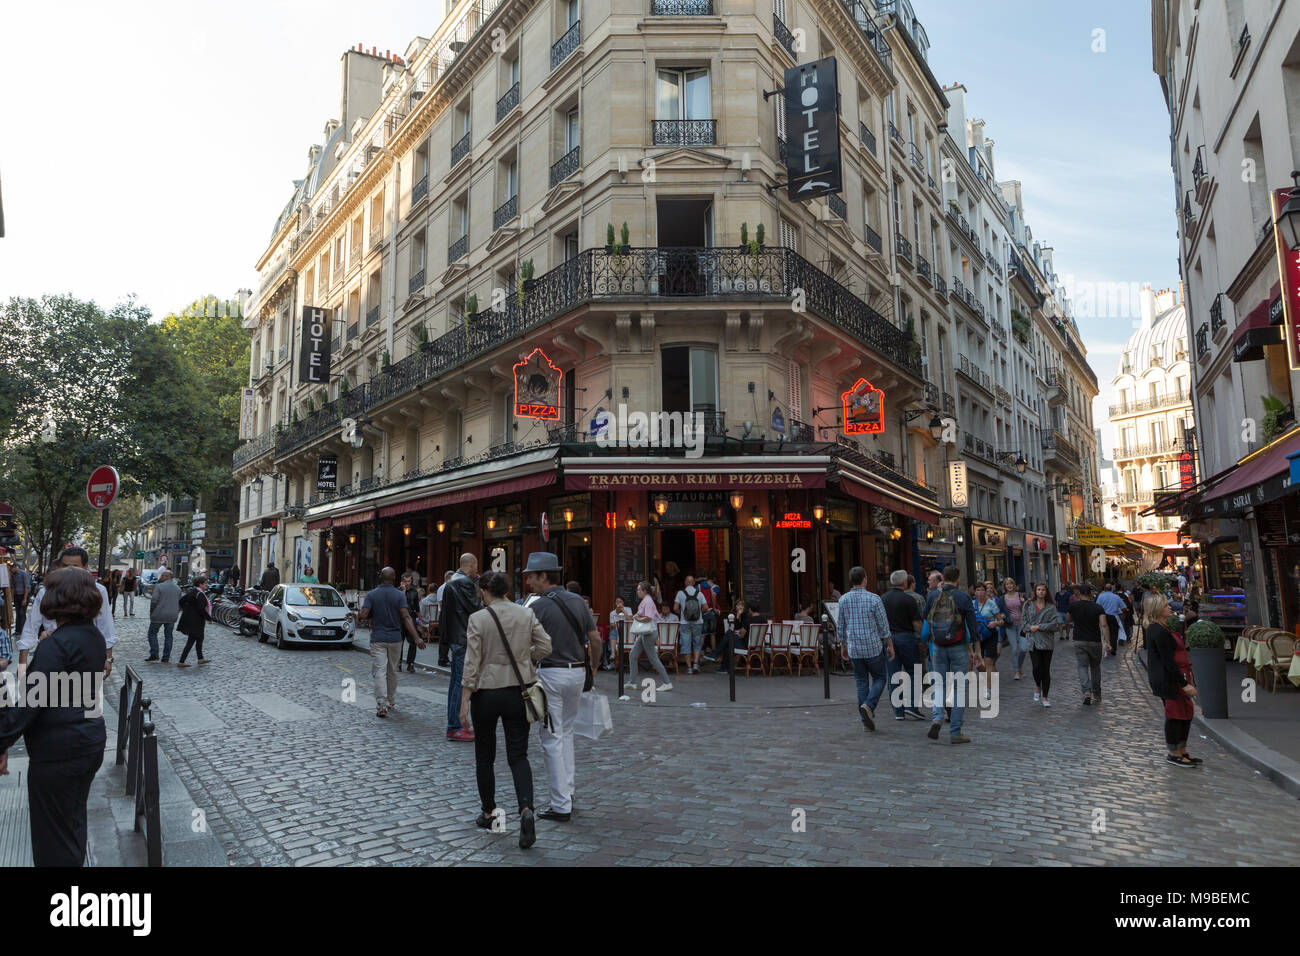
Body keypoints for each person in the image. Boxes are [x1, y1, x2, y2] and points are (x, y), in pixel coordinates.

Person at [0, 568, 107, 866]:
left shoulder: (56, 645)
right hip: (87, 741)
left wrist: (2, 741)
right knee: (71, 826)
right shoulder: (92, 637)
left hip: (59, 751)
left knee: (52, 839)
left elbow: (30, 703)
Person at [459, 570, 551, 849]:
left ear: (485, 591)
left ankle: (489, 812)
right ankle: (526, 810)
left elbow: (472, 662)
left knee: (485, 755)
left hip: (486, 693)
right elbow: (546, 646)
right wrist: (525, 657)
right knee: (518, 755)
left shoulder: (478, 618)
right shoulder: (524, 613)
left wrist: (464, 701)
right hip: (517, 691)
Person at [521, 552, 598, 823]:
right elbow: (595, 639)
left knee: (551, 737)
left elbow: (523, 644)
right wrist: (594, 667)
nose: (528, 580)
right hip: (577, 672)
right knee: (565, 732)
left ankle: (560, 804)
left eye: (532, 575)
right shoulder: (578, 601)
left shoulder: (536, 606)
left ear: (544, 576)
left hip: (550, 674)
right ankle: (568, 790)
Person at [18, 548, 116, 678]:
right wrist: (22, 664)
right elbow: (31, 627)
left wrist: (108, 659)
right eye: (65, 566)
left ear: (85, 567)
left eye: (75, 566)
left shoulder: (98, 591)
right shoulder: (46, 592)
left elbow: (106, 627)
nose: (69, 571)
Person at [923, 565, 981, 744]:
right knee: (958, 688)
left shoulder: (933, 595)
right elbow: (973, 625)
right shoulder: (963, 596)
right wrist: (977, 650)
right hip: (958, 646)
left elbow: (925, 616)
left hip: (938, 646)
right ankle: (955, 732)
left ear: (942, 579)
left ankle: (936, 718)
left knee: (939, 685)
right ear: (958, 578)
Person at [1144, 591, 1201, 767]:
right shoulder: (1158, 631)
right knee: (1175, 715)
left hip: (1177, 676)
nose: (1170, 607)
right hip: (1169, 679)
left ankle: (1182, 749)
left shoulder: (1163, 628)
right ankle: (1173, 752)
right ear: (1158, 609)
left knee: (1185, 713)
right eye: (1166, 605)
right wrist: (1184, 684)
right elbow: (1167, 661)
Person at [359, 567, 424, 718]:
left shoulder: (372, 594)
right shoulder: (399, 595)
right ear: (394, 578)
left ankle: (382, 704)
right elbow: (406, 617)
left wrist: (359, 614)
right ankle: (391, 700)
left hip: (378, 639)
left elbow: (363, 615)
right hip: (396, 639)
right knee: (392, 671)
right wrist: (416, 637)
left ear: (381, 577)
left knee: (379, 672)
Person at [840, 567, 894, 732]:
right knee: (880, 678)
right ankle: (869, 706)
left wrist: (843, 645)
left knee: (861, 682)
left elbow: (841, 626)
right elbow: (883, 625)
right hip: (872, 646)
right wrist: (890, 644)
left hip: (854, 647)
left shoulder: (843, 600)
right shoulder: (874, 599)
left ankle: (865, 722)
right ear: (865, 578)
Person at [439, 553, 481, 740]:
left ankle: (455, 723)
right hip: (463, 637)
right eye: (476, 565)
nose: (477, 569)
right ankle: (455, 725)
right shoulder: (464, 582)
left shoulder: (451, 581)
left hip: (456, 637)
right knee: (459, 684)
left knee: (456, 682)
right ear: (471, 565)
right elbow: (475, 608)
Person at [882, 569, 925, 720]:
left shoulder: (883, 599)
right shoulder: (908, 600)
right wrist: (924, 637)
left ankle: (898, 711)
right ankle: (912, 706)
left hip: (889, 638)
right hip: (906, 637)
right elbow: (917, 624)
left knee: (893, 675)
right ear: (904, 582)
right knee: (914, 671)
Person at [623, 580, 672, 695]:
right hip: (646, 632)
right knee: (633, 654)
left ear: (644, 590)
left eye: (639, 589)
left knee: (653, 658)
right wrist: (638, 616)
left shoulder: (648, 601)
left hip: (649, 633)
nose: (637, 591)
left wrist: (637, 619)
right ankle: (632, 681)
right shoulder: (647, 600)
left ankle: (667, 682)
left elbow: (649, 618)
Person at [1067, 585, 1110, 706]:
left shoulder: (1073, 606)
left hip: (1079, 640)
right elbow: (1104, 625)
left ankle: (1086, 691)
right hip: (1095, 641)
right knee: (1095, 668)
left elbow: (1068, 619)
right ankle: (1096, 694)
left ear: (1079, 594)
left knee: (1082, 666)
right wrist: (1108, 642)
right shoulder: (1098, 608)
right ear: (1091, 594)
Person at [1022, 582, 1059, 707]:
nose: (1041, 592)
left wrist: (1039, 627)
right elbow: (1024, 621)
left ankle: (1045, 697)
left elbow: (1054, 624)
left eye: (1043, 590)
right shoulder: (1028, 605)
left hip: (1047, 641)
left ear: (1046, 592)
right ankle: (1038, 686)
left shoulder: (1051, 607)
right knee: (1036, 667)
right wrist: (1029, 627)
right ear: (1035, 591)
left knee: (1046, 669)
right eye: (1038, 589)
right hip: (1032, 641)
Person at [973, 582, 1003, 700]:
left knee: (989, 661)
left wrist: (995, 623)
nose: (980, 593)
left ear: (986, 592)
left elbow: (1001, 621)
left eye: (982, 590)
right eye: (978, 590)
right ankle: (989, 679)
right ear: (974, 592)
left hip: (990, 634)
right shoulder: (971, 605)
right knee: (979, 664)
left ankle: (988, 689)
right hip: (977, 637)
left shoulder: (991, 604)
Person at [176, 574, 213, 667]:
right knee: (192, 640)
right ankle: (181, 661)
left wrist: (187, 610)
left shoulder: (193, 591)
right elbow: (201, 609)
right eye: (205, 584)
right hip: (196, 620)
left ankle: (200, 658)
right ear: (200, 584)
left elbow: (181, 601)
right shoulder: (199, 594)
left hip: (192, 619)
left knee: (200, 638)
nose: (206, 585)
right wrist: (208, 618)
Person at [145, 570, 182, 662]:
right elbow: (181, 603)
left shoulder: (159, 586)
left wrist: (151, 611)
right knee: (169, 636)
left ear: (166, 576)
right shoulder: (178, 588)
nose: (160, 577)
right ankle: (166, 656)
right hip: (172, 615)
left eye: (162, 576)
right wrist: (177, 611)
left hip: (159, 614)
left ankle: (154, 653)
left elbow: (154, 600)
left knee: (152, 633)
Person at [674, 574, 706, 675]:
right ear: (693, 583)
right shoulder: (699, 594)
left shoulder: (680, 593)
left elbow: (675, 608)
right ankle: (696, 663)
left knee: (686, 644)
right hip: (697, 622)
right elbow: (705, 607)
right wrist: (699, 612)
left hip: (685, 623)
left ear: (685, 583)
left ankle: (689, 668)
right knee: (697, 643)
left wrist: (682, 613)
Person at [997, 579, 1026, 680]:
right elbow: (1000, 612)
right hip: (1010, 626)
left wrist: (1023, 603)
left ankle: (1020, 666)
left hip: (1022, 625)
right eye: (1007, 584)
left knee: (1023, 648)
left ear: (1014, 585)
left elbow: (1026, 609)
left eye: (1011, 584)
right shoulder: (1002, 598)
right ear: (1004, 586)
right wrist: (1003, 615)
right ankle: (1016, 671)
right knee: (1014, 649)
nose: (1009, 586)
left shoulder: (1020, 595)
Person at [712, 599, 750, 674]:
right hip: (735, 639)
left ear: (744, 607)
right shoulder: (731, 615)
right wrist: (737, 616)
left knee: (728, 636)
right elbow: (733, 628)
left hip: (742, 642)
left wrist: (739, 616)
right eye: (738, 605)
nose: (740, 607)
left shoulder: (746, 616)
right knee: (727, 643)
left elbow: (742, 632)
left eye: (741, 605)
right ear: (735, 606)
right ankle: (724, 667)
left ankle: (716, 654)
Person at [1097, 583, 1128, 656]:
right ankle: (1113, 648)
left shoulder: (1101, 596)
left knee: (1105, 632)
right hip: (1113, 616)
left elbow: (1097, 607)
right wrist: (1123, 614)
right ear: (1111, 589)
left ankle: (1107, 647)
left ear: (1104, 589)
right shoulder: (1116, 597)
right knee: (1114, 633)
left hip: (1103, 616)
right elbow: (1124, 607)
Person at [401, 573, 421, 674]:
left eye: (409, 581)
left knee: (413, 641)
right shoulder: (398, 591)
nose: (407, 583)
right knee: (399, 641)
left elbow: (417, 607)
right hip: (400, 618)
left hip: (411, 617)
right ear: (402, 582)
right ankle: (398, 663)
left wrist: (420, 620)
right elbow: (400, 603)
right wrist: (403, 591)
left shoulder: (414, 591)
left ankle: (410, 663)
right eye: (405, 581)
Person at [435, 570, 455, 667]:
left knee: (447, 637)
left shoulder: (449, 587)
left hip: (448, 615)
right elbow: (442, 603)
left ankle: (445, 658)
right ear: (448, 578)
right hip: (444, 614)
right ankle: (442, 659)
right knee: (444, 638)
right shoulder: (443, 588)